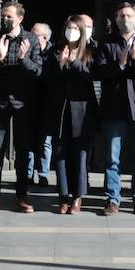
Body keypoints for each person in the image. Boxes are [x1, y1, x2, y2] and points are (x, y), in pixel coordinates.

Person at [0, 2, 43, 214]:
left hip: (23, 104)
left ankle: (22, 195)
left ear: (20, 19)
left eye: (9, 16)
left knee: (23, 151)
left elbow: (38, 72)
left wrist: (23, 60)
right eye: (3, 16)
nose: (5, 19)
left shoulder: (31, 40)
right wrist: (0, 59)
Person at [93, 2, 135, 216]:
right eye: (121, 15)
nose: (125, 19)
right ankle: (113, 199)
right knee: (113, 157)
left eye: (129, 15)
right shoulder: (106, 42)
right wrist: (120, 64)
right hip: (114, 107)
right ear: (116, 19)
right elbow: (99, 71)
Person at [44, 16, 98, 214]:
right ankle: (63, 196)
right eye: (68, 28)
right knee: (60, 155)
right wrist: (59, 64)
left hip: (82, 112)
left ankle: (78, 196)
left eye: (75, 28)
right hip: (60, 110)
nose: (71, 31)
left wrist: (74, 62)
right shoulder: (55, 50)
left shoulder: (91, 51)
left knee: (80, 155)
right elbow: (46, 77)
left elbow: (91, 77)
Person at [29, 21, 54, 186]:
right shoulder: (28, 51)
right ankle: (28, 174)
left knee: (45, 141)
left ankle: (43, 174)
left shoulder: (53, 53)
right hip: (30, 100)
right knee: (29, 140)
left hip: (48, 102)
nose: (30, 37)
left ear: (44, 37)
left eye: (34, 34)